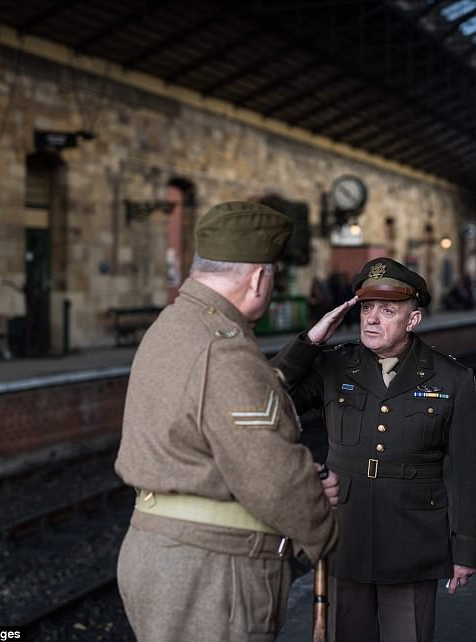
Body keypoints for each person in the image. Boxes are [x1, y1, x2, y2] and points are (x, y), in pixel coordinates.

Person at [114, 201, 340, 642]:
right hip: (212, 573)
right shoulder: (225, 348)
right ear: (259, 277)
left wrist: (303, 349)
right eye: (272, 276)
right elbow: (273, 479)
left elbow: (220, 416)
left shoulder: (174, 325)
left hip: (162, 552)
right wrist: (324, 531)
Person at [273, 257, 476, 642]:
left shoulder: (452, 379)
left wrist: (466, 548)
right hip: (345, 534)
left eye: (387, 310)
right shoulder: (333, 366)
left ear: (413, 320)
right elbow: (267, 396)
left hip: (413, 541)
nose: (372, 319)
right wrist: (311, 341)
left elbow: (471, 471)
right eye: (367, 308)